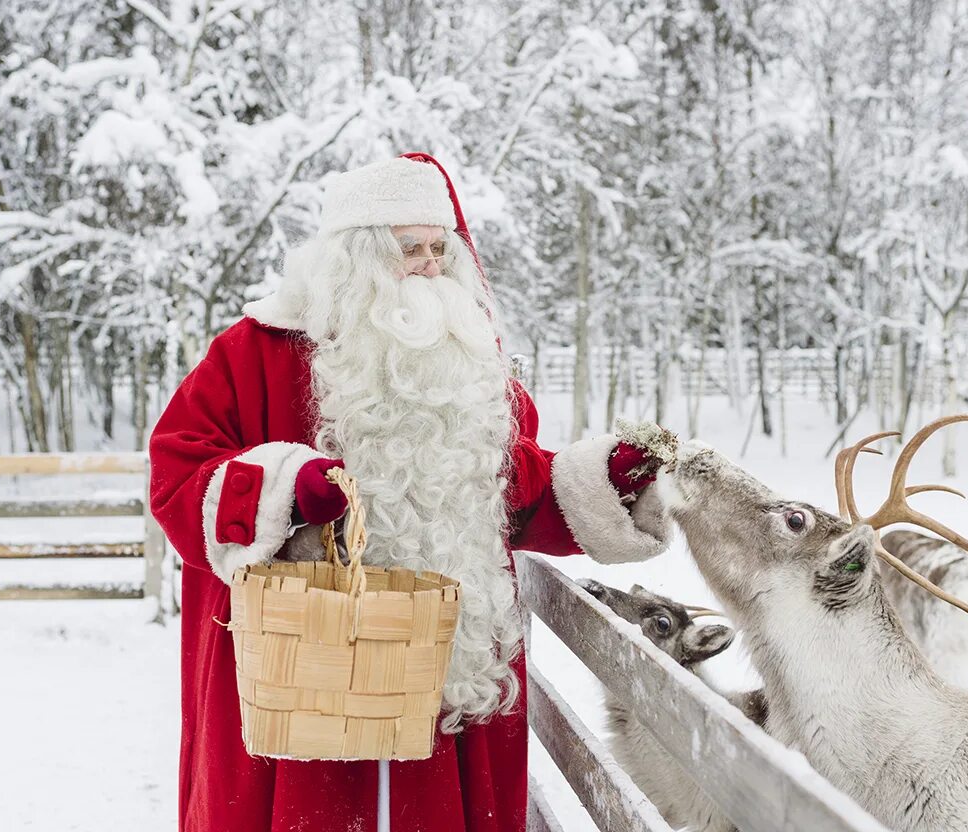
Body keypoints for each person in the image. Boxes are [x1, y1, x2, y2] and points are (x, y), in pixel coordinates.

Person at [148, 152, 672, 832]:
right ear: (355, 259)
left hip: (440, 676)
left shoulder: (467, 364)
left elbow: (513, 491)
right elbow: (178, 473)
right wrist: (284, 491)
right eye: (409, 250)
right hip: (299, 674)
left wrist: (608, 484)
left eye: (437, 248)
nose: (429, 265)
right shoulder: (255, 351)